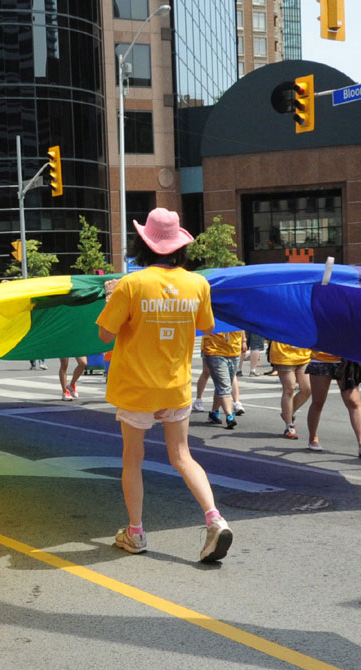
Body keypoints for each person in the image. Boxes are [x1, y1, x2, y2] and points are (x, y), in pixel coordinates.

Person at [96, 207, 233, 563]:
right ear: (179, 246)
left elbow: (104, 334)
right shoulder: (198, 283)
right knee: (182, 456)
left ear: (143, 245)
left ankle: (136, 532)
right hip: (176, 387)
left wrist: (112, 297)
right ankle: (214, 518)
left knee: (133, 460)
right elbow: (206, 325)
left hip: (136, 388)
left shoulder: (131, 284)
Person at [303, 350, 361, 456]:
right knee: (318, 402)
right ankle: (313, 438)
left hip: (346, 359)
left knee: (353, 401)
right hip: (321, 359)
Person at [201, 329, 245, 429]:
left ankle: (214, 412)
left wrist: (244, 340)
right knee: (224, 385)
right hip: (215, 350)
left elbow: (241, 324)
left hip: (234, 350)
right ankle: (229, 416)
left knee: (223, 384)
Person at [270, 341, 312, 439]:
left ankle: (288, 412)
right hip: (283, 353)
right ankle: (289, 425)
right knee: (289, 388)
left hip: (303, 352)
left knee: (307, 389)